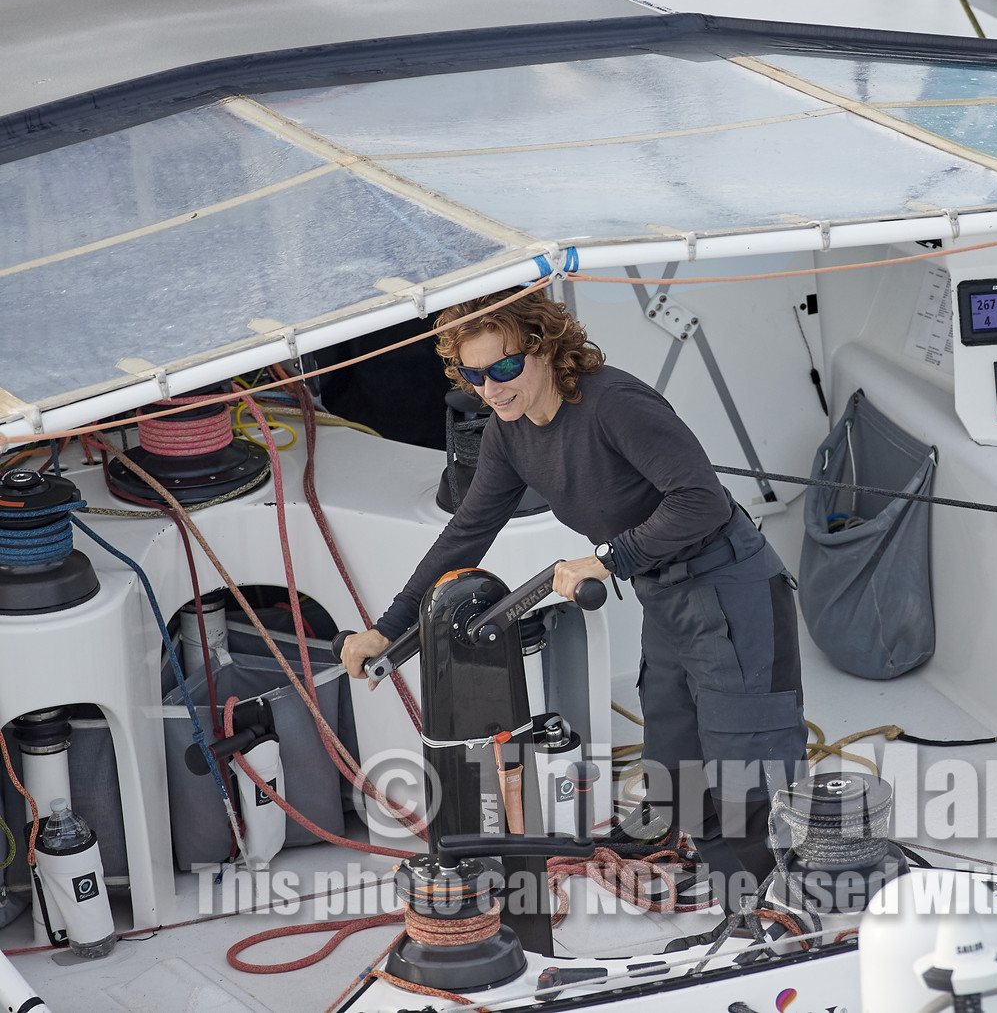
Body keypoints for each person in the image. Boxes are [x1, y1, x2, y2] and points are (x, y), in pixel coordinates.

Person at [338, 285, 806, 910]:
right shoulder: (510, 433)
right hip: (665, 596)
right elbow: (465, 534)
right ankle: (705, 868)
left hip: (730, 587)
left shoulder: (614, 403)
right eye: (474, 375)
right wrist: (387, 631)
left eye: (504, 367)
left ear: (544, 348)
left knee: (741, 760)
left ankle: (765, 903)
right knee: (672, 746)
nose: (492, 388)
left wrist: (608, 559)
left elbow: (701, 501)